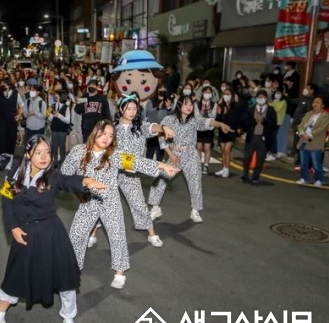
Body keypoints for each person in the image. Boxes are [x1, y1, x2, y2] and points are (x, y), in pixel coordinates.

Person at [0, 134, 106, 323]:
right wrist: (12, 227)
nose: (44, 157)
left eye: (47, 152)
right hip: (25, 234)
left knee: (65, 279)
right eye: (38, 152)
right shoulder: (15, 174)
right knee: (15, 276)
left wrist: (85, 181)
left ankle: (68, 317)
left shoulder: (53, 176)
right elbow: (7, 202)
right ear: (28, 153)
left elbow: (68, 181)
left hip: (51, 234)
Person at [62, 119, 178, 289]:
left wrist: (162, 166)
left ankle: (120, 272)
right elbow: (65, 175)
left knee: (117, 236)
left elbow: (138, 162)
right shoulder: (78, 151)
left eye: (110, 135)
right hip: (89, 202)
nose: (107, 138)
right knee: (77, 235)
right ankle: (73, 268)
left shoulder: (114, 155)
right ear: (95, 132)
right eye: (103, 133)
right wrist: (77, 191)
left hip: (111, 203)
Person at [148, 96, 233, 222]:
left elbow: (208, 122)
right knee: (161, 179)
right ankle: (155, 208)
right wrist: (171, 154)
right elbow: (161, 137)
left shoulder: (194, 120)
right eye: (186, 104)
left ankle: (195, 211)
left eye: (191, 105)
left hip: (191, 155)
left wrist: (220, 124)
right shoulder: (169, 119)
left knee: (195, 182)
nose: (189, 107)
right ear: (179, 105)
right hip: (174, 154)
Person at [113, 93, 175, 247]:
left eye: (135, 108)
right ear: (121, 109)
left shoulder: (141, 126)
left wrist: (164, 127)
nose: (132, 112)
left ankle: (151, 234)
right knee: (101, 203)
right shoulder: (112, 128)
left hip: (130, 174)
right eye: (128, 109)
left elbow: (153, 127)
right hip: (112, 172)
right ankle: (92, 234)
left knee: (139, 204)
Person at [239, 90, 277, 184]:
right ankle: (245, 174)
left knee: (260, 159)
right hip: (252, 137)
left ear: (266, 98)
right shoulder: (251, 109)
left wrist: (264, 121)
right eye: (259, 97)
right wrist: (253, 121)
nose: (261, 99)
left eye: (263, 97)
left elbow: (273, 123)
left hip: (263, 138)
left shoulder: (271, 110)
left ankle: (255, 177)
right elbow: (244, 122)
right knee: (247, 157)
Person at [296, 96, 329, 187]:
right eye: (314, 102)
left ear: (323, 105)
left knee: (316, 162)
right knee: (303, 162)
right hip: (304, 140)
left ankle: (320, 179)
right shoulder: (308, 114)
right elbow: (301, 125)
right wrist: (302, 133)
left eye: (318, 102)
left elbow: (322, 129)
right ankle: (304, 178)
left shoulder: (325, 116)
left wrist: (310, 135)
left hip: (316, 142)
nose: (315, 104)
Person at [0, 78, 23, 156]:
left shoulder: (16, 94)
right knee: (0, 137)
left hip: (12, 119)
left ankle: (10, 155)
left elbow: (21, 105)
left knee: (11, 137)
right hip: (2, 119)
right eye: (1, 84)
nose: (2, 86)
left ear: (9, 86)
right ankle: (1, 155)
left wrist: (19, 115)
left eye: (4, 84)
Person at [214, 87, 241, 178]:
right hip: (222, 131)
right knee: (222, 151)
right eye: (224, 94)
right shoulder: (221, 106)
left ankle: (227, 169)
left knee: (227, 150)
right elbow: (217, 120)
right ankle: (224, 168)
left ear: (232, 95)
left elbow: (235, 119)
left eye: (228, 94)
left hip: (231, 131)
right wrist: (219, 112)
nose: (226, 96)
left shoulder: (235, 106)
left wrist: (227, 113)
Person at [195, 85, 218, 175]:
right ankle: (198, 165)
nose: (207, 94)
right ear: (202, 93)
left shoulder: (214, 104)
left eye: (209, 92)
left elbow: (214, 116)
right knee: (199, 147)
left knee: (207, 147)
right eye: (206, 92)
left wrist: (208, 111)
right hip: (199, 128)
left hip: (209, 128)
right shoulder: (197, 103)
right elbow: (196, 116)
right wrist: (201, 111)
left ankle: (206, 165)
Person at [48, 91, 72, 167]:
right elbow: (49, 118)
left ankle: (62, 161)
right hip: (54, 128)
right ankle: (54, 161)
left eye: (57, 95)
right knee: (54, 146)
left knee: (62, 146)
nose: (55, 96)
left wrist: (59, 116)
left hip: (62, 130)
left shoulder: (66, 107)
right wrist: (51, 115)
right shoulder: (53, 105)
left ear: (61, 97)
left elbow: (68, 120)